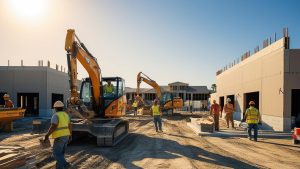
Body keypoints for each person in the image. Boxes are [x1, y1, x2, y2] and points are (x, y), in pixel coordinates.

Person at [44, 101, 72, 169]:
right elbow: (70, 126)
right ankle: (59, 167)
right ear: (62, 108)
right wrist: (70, 135)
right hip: (66, 136)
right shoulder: (66, 115)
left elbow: (53, 126)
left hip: (60, 137)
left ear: (55, 108)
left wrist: (47, 135)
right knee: (61, 153)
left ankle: (65, 164)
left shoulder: (55, 115)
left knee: (56, 153)